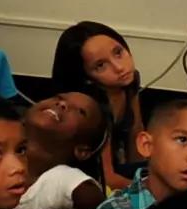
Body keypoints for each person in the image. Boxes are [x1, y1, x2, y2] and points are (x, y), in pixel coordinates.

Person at [9, 89, 108, 209]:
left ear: (82, 150)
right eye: (58, 97)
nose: (61, 104)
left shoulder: (66, 181)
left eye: (80, 112)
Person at [50, 20, 149, 189]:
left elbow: (136, 131)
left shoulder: (128, 82)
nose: (119, 67)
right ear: (86, 77)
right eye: (101, 65)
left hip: (116, 171)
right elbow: (107, 179)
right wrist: (152, 190)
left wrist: (144, 173)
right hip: (83, 182)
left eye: (118, 52)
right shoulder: (93, 107)